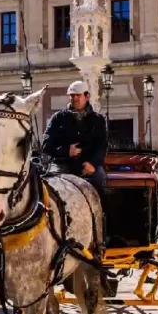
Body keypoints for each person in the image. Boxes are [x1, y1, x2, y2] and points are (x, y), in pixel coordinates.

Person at [41, 81, 109, 246]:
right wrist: (66, 151)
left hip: (89, 165)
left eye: (78, 95)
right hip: (62, 163)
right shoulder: (58, 118)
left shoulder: (98, 120)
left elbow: (102, 146)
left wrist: (93, 164)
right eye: (72, 96)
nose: (75, 99)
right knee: (52, 185)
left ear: (87, 96)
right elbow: (46, 145)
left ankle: (101, 231)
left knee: (100, 182)